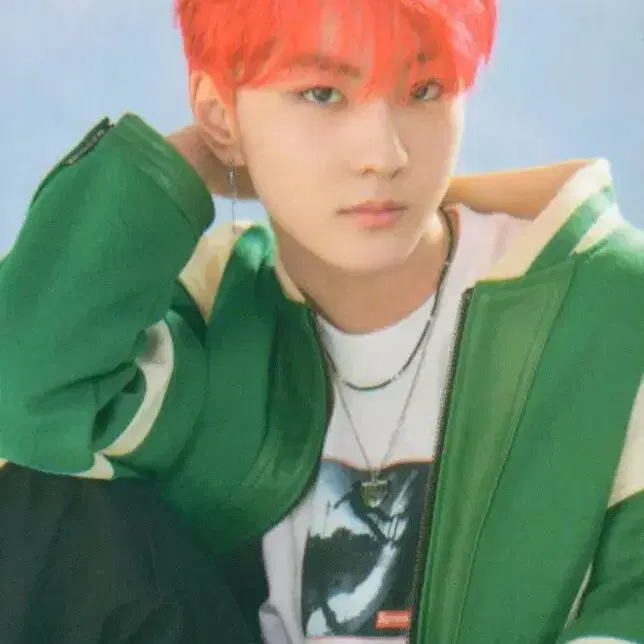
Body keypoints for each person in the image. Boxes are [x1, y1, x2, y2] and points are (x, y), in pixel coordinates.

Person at [0, 0, 642, 642]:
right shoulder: (220, 310)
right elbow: (27, 394)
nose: (384, 155)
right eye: (322, 94)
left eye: (425, 89)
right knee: (38, 493)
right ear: (221, 114)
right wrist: (190, 162)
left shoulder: (605, 303)